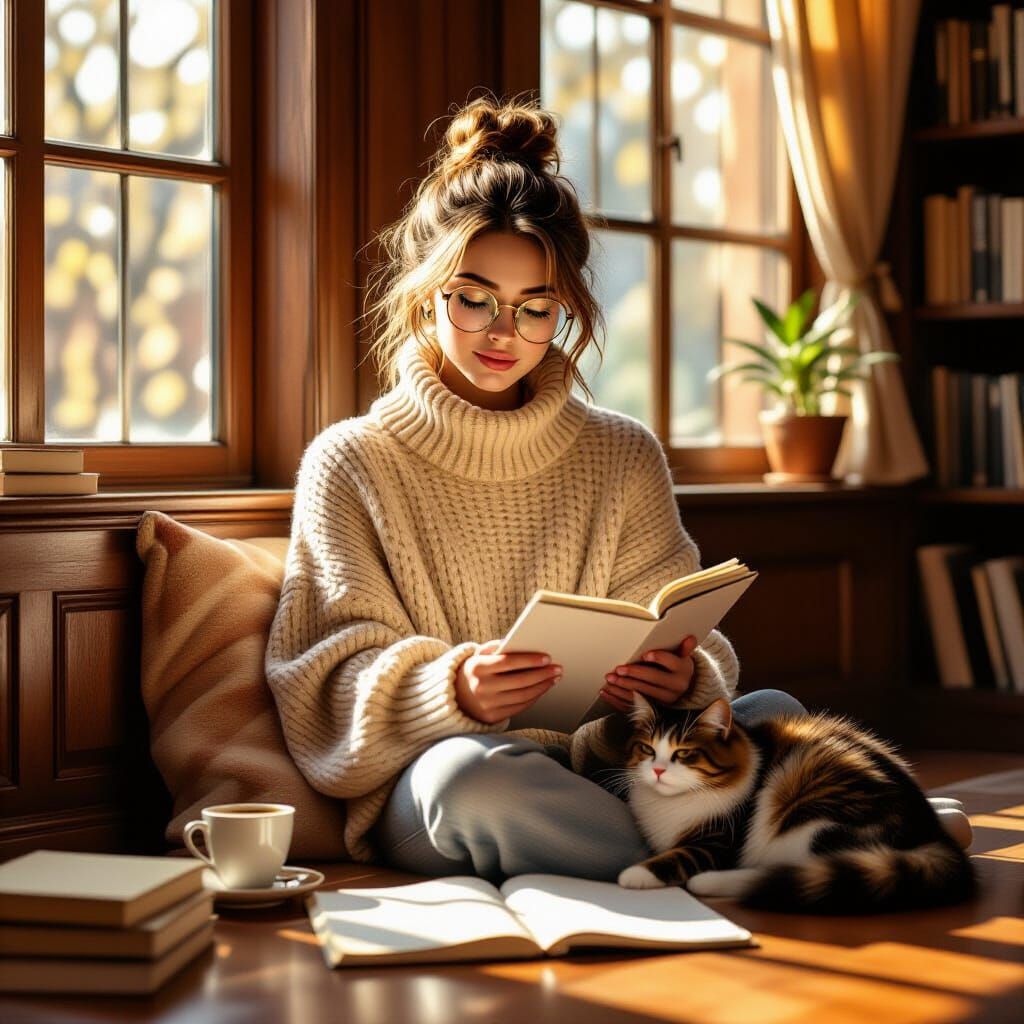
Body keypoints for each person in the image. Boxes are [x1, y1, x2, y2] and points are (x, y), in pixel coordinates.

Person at [264, 94, 968, 885]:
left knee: (771, 713)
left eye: (536, 309)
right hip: (444, 782)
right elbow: (322, 686)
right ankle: (829, 842)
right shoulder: (350, 462)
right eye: (474, 298)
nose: (504, 333)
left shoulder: (622, 453)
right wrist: (452, 688)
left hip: (616, 766)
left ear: (565, 309)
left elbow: (689, 635)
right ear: (426, 293)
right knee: (472, 780)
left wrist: (685, 679)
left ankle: (785, 848)